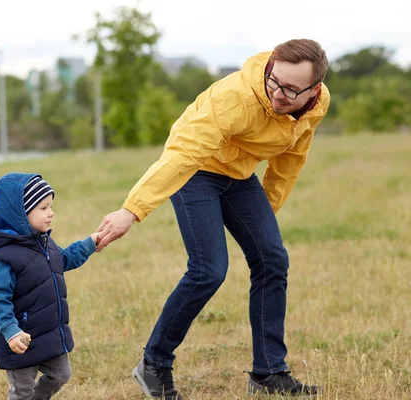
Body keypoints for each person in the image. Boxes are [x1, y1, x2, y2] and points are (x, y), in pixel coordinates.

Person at [95, 39, 330, 399]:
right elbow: (184, 154)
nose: (279, 94)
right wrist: (132, 210)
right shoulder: (235, 98)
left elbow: (290, 160)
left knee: (271, 258)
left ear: (314, 90)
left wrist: (264, 216)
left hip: (238, 174)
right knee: (209, 269)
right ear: (269, 67)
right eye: (274, 81)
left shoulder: (317, 104)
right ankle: (153, 363)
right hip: (196, 170)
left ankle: (268, 372)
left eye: (292, 90)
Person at [0, 173, 99, 400]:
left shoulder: (43, 243)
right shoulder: (4, 259)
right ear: (20, 215)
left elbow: (63, 259)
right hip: (19, 339)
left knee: (61, 374)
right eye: (43, 208)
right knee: (22, 390)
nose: (51, 213)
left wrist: (91, 243)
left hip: (47, 333)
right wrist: (11, 332)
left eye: (51, 206)